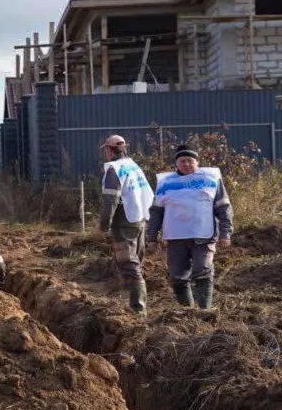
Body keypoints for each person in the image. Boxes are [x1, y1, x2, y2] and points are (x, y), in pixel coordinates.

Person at [145, 144, 233, 310]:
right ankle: (187, 310)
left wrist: (226, 232)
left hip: (204, 235)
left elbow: (224, 207)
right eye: (182, 161)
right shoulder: (165, 183)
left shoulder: (211, 179)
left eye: (190, 160)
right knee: (177, 275)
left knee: (202, 269)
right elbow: (156, 211)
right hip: (176, 236)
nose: (186, 164)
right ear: (176, 164)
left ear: (197, 163)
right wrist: (152, 237)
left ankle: (204, 310)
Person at [98, 134, 155, 315]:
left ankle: (138, 310)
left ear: (109, 150)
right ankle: (135, 304)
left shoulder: (114, 169)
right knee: (135, 262)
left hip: (124, 222)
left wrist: (103, 226)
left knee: (129, 265)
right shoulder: (133, 166)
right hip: (139, 219)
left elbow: (111, 200)